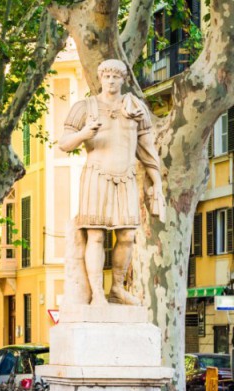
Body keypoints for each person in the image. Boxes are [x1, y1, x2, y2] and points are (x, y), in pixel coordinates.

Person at [58, 58, 165, 306]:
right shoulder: (85, 107)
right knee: (95, 236)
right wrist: (85, 133)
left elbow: (148, 150)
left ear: (123, 80)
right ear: (100, 78)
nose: (111, 80)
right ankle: (97, 293)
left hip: (126, 177)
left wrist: (157, 182)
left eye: (116, 76)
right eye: (106, 76)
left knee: (127, 235)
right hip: (96, 176)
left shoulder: (135, 108)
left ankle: (117, 288)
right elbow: (64, 143)